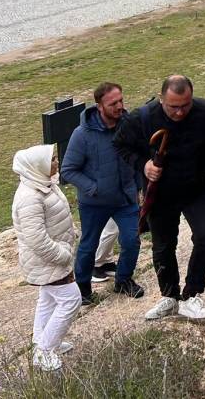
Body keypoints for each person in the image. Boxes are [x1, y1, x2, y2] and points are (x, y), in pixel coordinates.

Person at [114, 75, 205, 321]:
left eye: (185, 105)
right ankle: (169, 296)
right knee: (163, 245)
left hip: (199, 189)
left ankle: (191, 295)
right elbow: (121, 144)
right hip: (161, 191)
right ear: (161, 99)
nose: (179, 112)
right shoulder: (142, 117)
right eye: (173, 107)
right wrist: (143, 165)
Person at [60, 82, 146, 306]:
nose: (119, 106)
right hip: (94, 203)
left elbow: (138, 158)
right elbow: (68, 170)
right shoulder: (82, 135)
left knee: (132, 241)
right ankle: (83, 289)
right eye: (113, 103)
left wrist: (139, 186)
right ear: (99, 106)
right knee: (88, 246)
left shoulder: (129, 126)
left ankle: (123, 280)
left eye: (121, 101)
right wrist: (94, 188)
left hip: (125, 199)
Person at [11, 144, 78, 372]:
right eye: (52, 160)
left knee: (47, 300)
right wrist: (62, 254)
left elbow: (55, 218)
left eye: (55, 158)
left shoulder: (45, 184)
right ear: (37, 165)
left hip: (54, 257)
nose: (57, 162)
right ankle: (45, 350)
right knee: (71, 300)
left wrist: (71, 234)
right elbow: (36, 239)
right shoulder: (30, 197)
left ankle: (42, 343)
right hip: (49, 260)